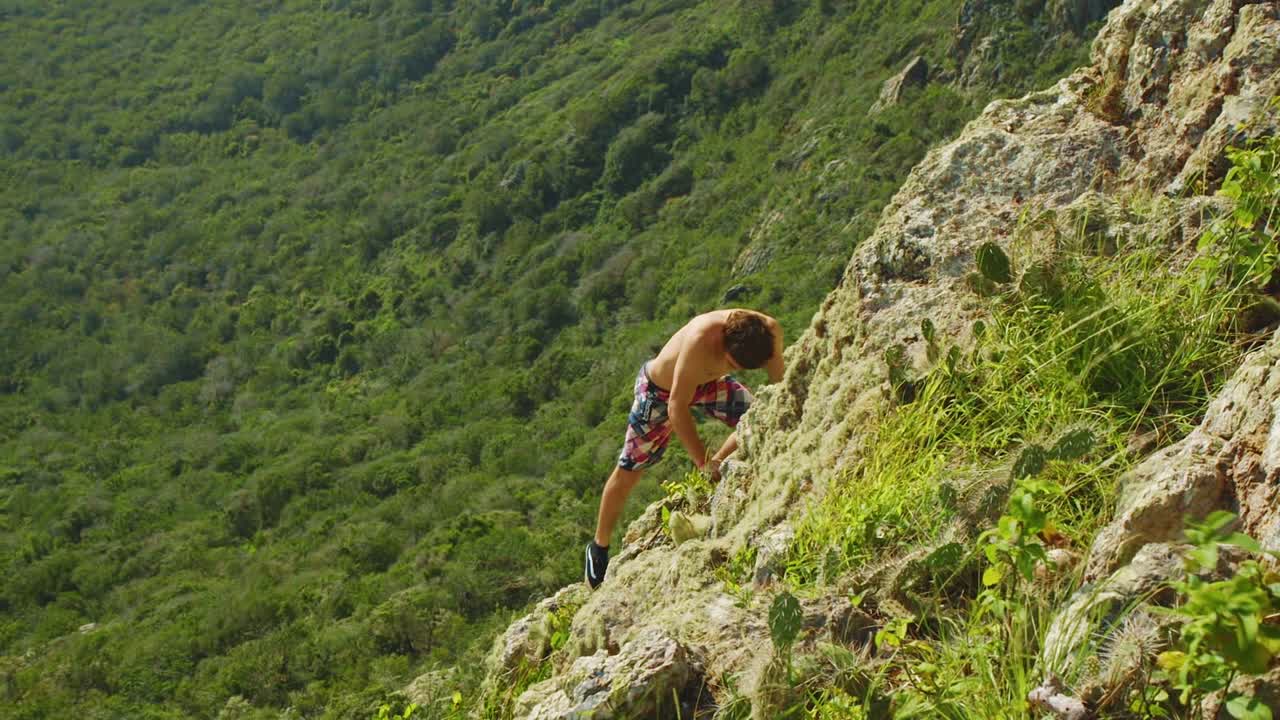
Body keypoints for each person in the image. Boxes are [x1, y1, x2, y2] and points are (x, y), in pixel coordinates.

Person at [585, 308, 785, 588]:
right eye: (730, 362)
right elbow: (676, 407)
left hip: (708, 384)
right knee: (631, 468)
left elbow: (780, 388)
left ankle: (714, 469)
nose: (733, 369)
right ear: (723, 339)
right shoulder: (700, 338)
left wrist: (784, 408)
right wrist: (701, 461)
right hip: (660, 392)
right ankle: (598, 547)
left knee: (759, 417)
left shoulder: (769, 332)